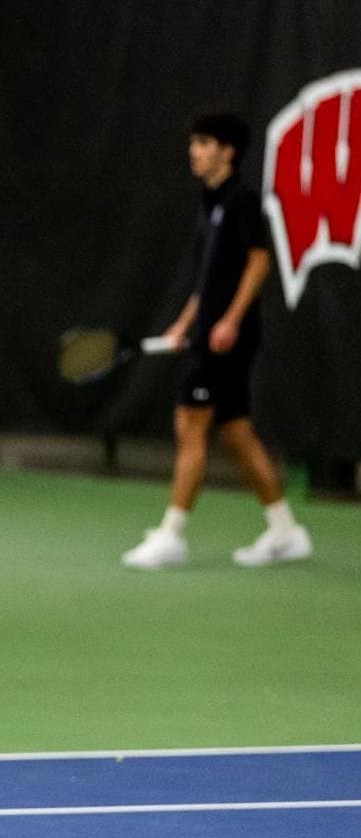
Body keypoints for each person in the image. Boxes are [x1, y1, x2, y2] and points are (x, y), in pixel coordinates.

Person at [122, 112, 311, 570]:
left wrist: (228, 322)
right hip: (210, 333)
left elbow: (260, 262)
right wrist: (184, 324)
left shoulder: (242, 201)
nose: (194, 150)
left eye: (204, 142)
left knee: (189, 422)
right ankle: (286, 531)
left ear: (227, 151)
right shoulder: (211, 201)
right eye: (194, 142)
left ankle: (171, 535)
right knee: (237, 433)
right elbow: (206, 281)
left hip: (228, 339)